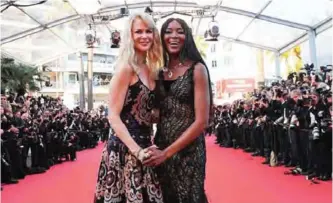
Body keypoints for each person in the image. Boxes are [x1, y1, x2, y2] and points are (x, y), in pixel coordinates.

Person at [94, 12, 164, 203]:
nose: (144, 36)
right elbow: (113, 116)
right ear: (130, 36)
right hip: (124, 151)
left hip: (146, 148)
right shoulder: (126, 69)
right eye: (138, 32)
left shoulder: (152, 70)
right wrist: (137, 151)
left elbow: (147, 113)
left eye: (148, 31)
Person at [143, 18, 213, 203]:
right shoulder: (158, 72)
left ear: (187, 36)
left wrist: (166, 153)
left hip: (189, 152)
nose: (174, 36)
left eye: (180, 31)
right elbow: (156, 114)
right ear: (161, 37)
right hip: (161, 147)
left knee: (189, 197)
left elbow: (201, 122)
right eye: (168, 31)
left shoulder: (197, 69)